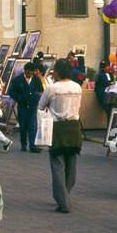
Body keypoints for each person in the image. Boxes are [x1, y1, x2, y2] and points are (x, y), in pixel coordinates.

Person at [37, 59, 83, 213]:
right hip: (74, 127)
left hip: (57, 128)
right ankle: (66, 194)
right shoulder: (77, 87)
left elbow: (41, 106)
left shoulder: (52, 88)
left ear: (57, 72)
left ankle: (63, 202)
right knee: (72, 165)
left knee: (57, 166)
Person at [7, 61, 43, 153]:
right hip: (22, 106)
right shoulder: (17, 80)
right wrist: (19, 98)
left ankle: (32, 145)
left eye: (32, 73)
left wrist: (36, 98)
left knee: (32, 125)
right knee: (23, 126)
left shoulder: (36, 79)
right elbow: (11, 92)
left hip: (32, 106)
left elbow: (40, 92)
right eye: (28, 72)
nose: (29, 74)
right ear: (25, 71)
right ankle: (23, 144)